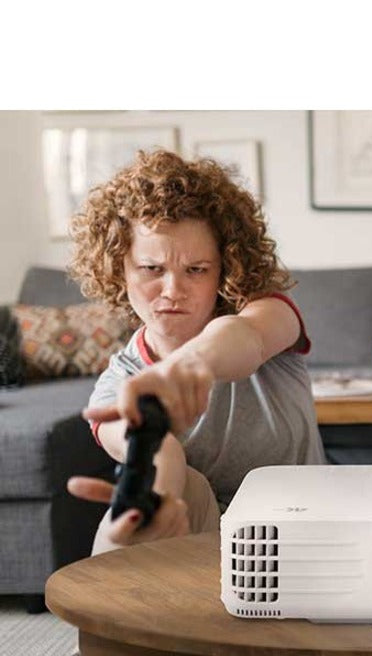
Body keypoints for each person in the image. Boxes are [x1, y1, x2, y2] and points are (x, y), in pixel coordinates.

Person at [66, 149, 326, 553]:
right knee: (168, 490)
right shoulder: (116, 386)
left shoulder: (268, 313)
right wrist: (154, 506)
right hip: (197, 538)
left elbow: (247, 337)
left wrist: (187, 366)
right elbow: (157, 455)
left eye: (196, 270)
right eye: (152, 269)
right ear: (119, 269)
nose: (172, 290)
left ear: (224, 270)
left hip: (298, 527)